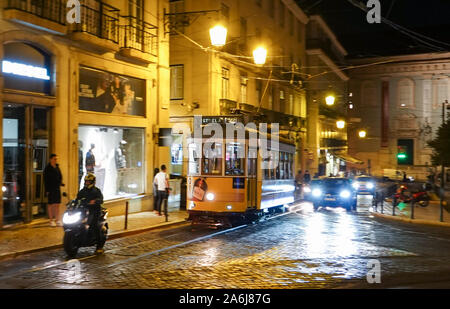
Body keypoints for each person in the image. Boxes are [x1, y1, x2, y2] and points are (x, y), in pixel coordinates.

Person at [76, 173, 104, 254]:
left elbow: (101, 199)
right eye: (86, 181)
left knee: (94, 225)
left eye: (89, 182)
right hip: (84, 211)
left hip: (94, 211)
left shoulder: (96, 191)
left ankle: (99, 246)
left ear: (93, 182)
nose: (87, 183)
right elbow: (77, 199)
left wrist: (95, 201)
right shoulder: (82, 191)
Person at [43, 154, 64, 227]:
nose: (56, 160)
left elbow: (60, 176)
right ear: (51, 159)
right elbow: (45, 180)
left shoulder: (57, 167)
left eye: (56, 159)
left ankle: (57, 220)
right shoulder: (47, 168)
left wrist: (60, 182)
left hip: (57, 188)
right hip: (50, 188)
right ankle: (51, 220)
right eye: (54, 159)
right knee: (51, 204)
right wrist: (47, 190)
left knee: (57, 204)